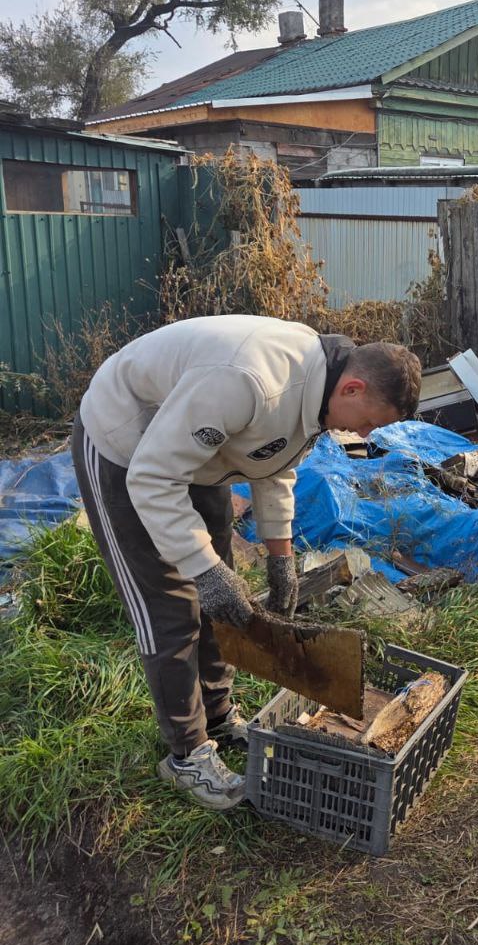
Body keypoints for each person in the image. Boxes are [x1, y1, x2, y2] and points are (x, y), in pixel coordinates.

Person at [71, 316, 421, 811]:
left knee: (220, 599)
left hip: (193, 452)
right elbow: (152, 477)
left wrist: (281, 558)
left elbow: (274, 463)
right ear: (354, 387)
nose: (362, 434)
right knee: (170, 607)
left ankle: (216, 718)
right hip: (127, 448)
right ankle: (186, 755)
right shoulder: (249, 380)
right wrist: (204, 570)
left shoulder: (320, 388)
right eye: (368, 422)